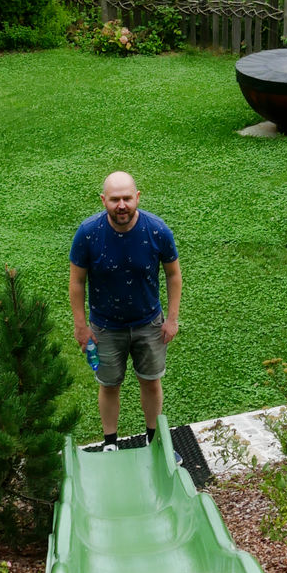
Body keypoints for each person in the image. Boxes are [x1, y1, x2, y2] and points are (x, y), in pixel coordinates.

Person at [69, 171, 181, 451]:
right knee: (109, 385)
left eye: (127, 199)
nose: (122, 205)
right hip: (105, 328)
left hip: (149, 324)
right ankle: (110, 443)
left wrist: (171, 319)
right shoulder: (88, 233)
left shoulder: (157, 230)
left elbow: (173, 275)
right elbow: (77, 281)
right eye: (115, 199)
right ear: (103, 200)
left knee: (151, 382)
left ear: (138, 198)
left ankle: (154, 442)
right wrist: (81, 327)